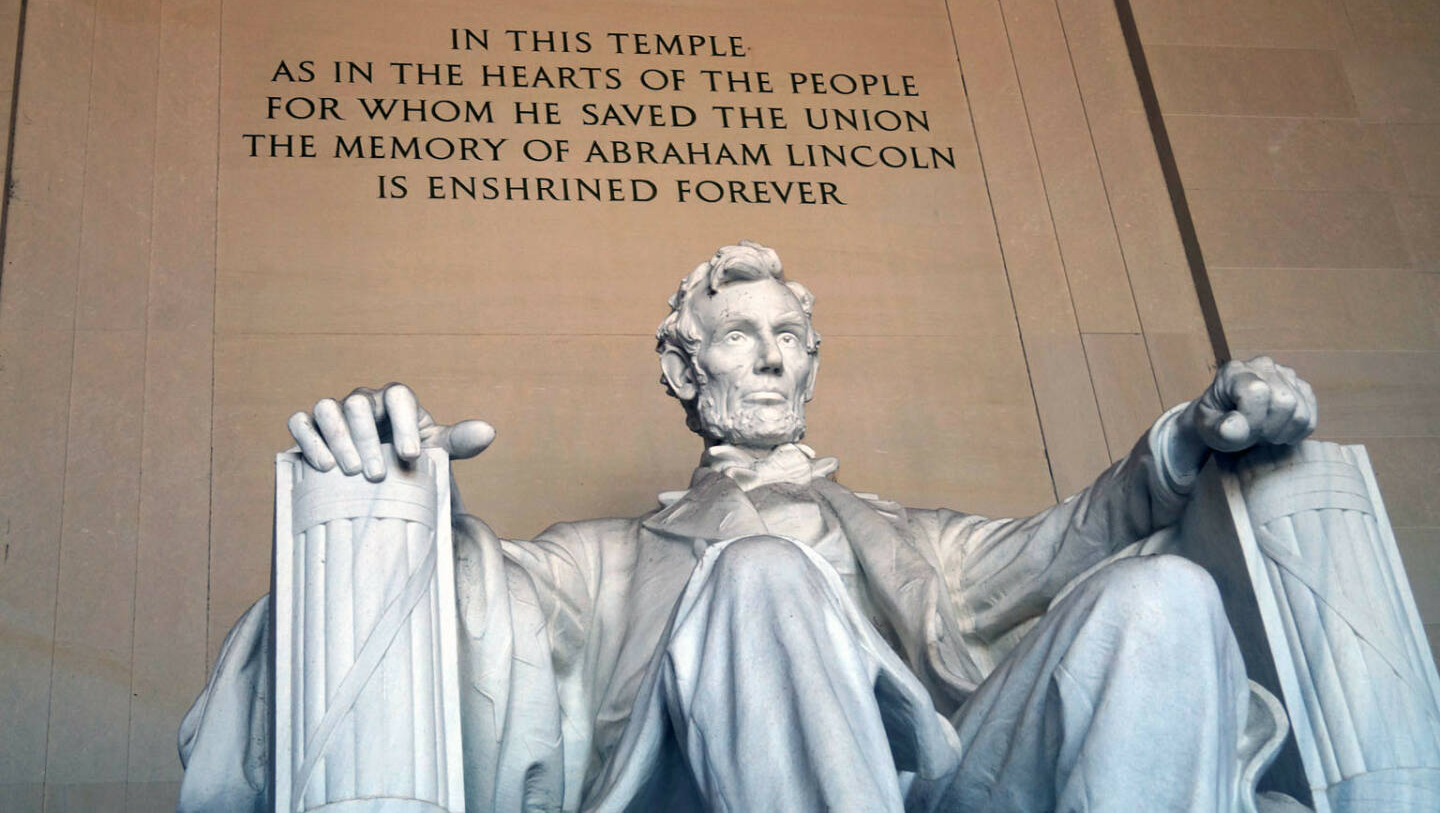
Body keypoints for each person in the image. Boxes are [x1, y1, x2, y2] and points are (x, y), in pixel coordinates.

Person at [178, 241, 1318, 812]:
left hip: (941, 784)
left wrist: (1191, 440)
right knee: (762, 574)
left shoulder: (911, 539)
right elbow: (478, 611)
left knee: (1163, 597)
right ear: (684, 366)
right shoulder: (611, 557)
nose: (772, 355)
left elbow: (1080, 535)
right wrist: (405, 485)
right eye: (737, 335)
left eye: (790, 336)